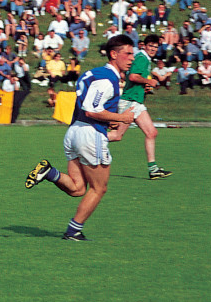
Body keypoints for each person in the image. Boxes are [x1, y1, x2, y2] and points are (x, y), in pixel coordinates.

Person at [25, 34, 137, 242]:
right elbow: (93, 110)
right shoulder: (108, 78)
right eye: (128, 53)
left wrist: (111, 121)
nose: (132, 58)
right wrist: (122, 117)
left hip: (75, 131)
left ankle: (49, 173)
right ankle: (73, 231)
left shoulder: (94, 73)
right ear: (114, 54)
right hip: (88, 132)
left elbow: (90, 108)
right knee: (99, 188)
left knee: (78, 189)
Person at [107, 33, 170, 179]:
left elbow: (132, 77)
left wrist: (144, 87)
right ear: (144, 46)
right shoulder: (142, 58)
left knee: (152, 132)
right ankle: (89, 141)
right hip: (130, 101)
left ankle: (153, 169)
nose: (153, 49)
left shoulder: (144, 58)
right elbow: (133, 76)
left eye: (155, 47)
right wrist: (149, 82)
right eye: (151, 46)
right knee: (116, 136)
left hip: (136, 102)